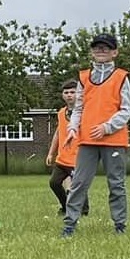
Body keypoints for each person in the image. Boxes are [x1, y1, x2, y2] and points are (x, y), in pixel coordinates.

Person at [62, 33, 130, 238]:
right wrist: (73, 128)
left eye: (106, 48)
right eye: (97, 48)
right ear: (92, 52)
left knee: (116, 184)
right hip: (87, 140)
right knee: (79, 183)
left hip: (113, 140)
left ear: (114, 52)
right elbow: (79, 107)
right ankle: (69, 225)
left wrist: (107, 127)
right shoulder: (84, 77)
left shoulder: (121, 77)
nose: (101, 51)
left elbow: (126, 110)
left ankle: (120, 225)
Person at [44, 80, 86, 217]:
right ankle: (65, 206)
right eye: (66, 92)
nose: (69, 95)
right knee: (54, 183)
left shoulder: (84, 113)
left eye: (72, 92)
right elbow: (58, 132)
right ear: (62, 95)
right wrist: (51, 153)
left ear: (79, 94)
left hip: (77, 158)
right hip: (62, 158)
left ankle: (84, 210)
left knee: (77, 186)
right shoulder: (61, 113)